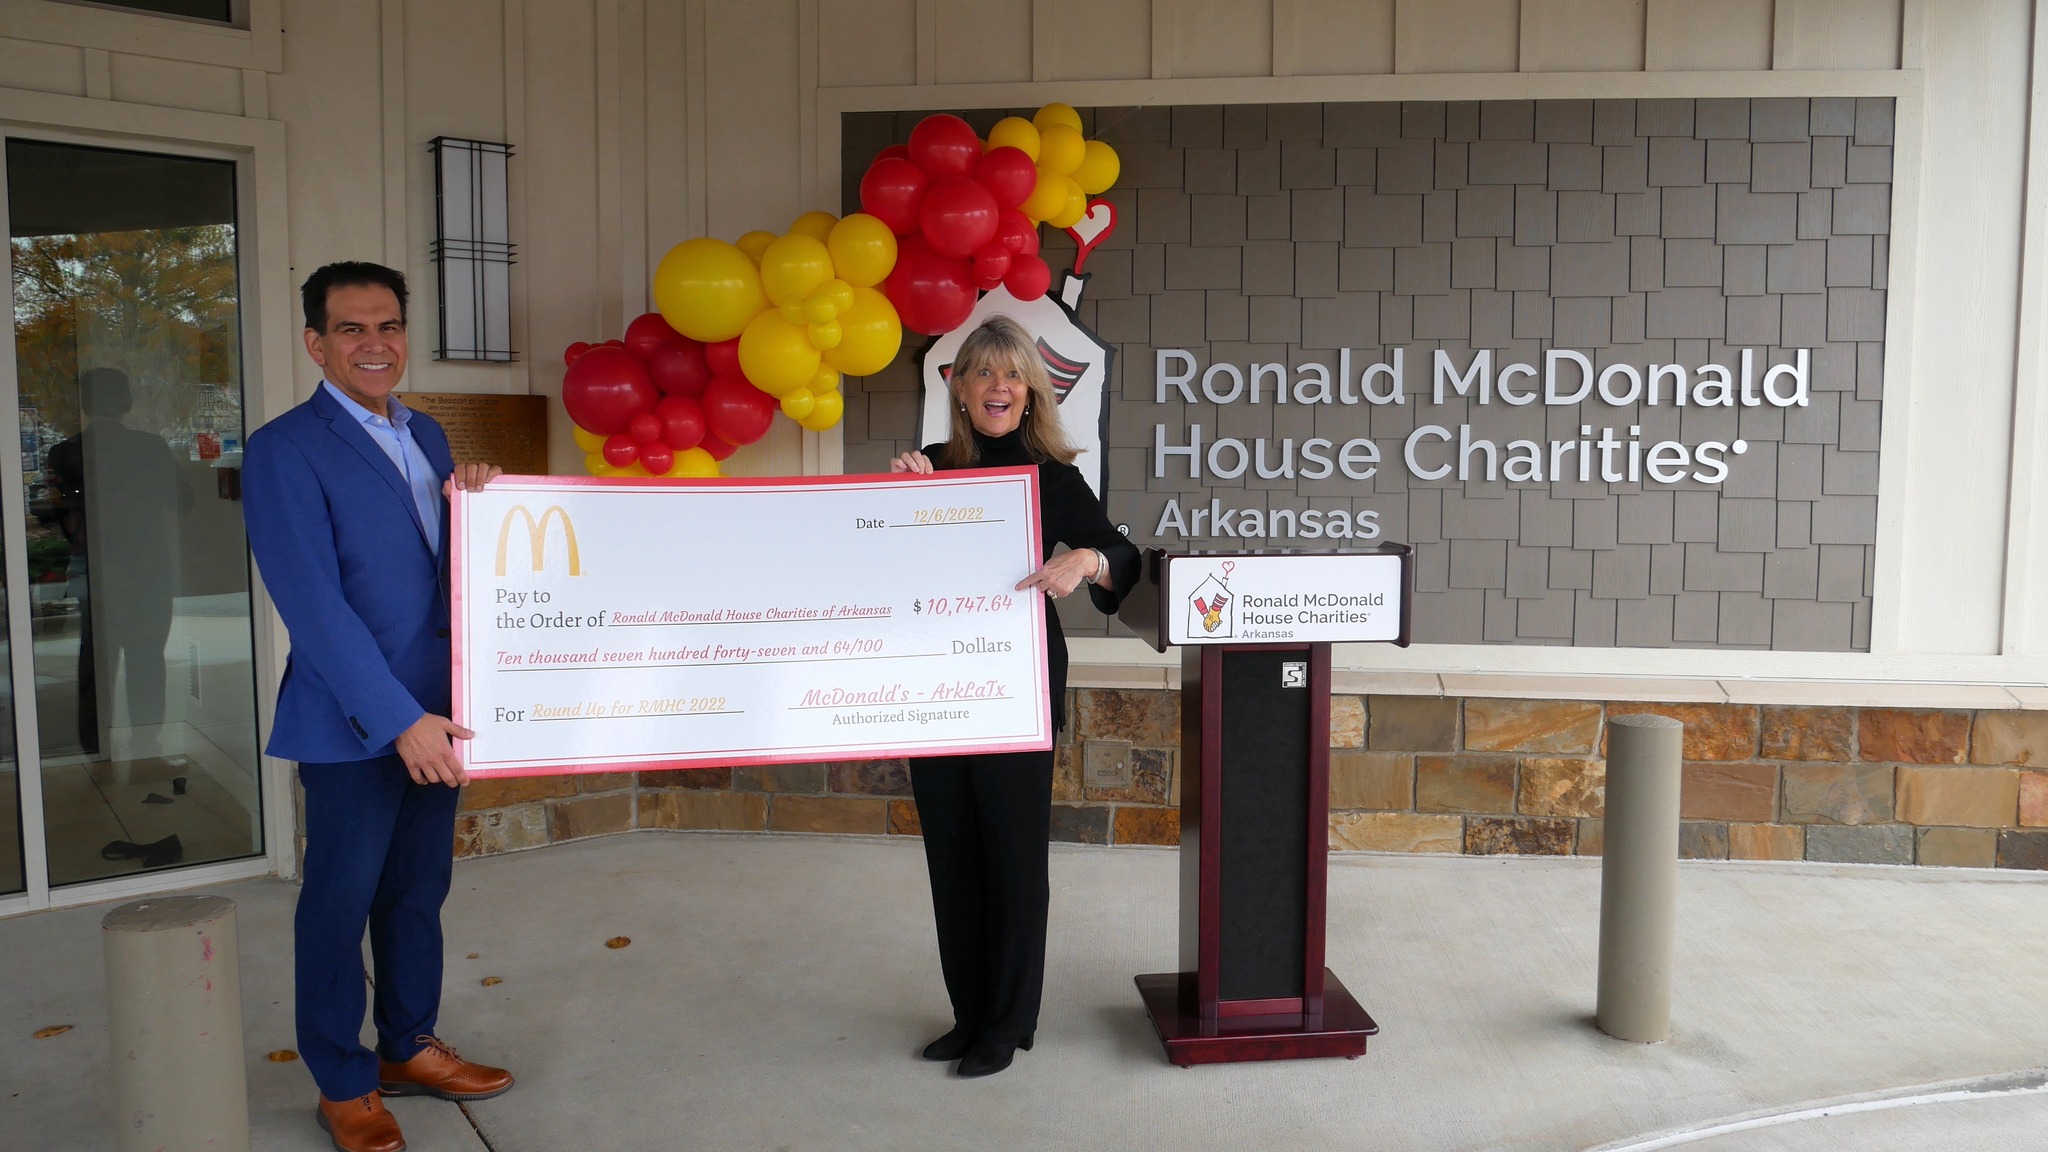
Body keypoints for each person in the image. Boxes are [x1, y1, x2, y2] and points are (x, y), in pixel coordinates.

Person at [243, 262, 511, 1152]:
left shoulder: (427, 434)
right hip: (356, 720)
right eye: (351, 328)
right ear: (316, 343)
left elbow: (439, 571)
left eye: (388, 325)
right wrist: (398, 719)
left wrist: (478, 501)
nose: (374, 343)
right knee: (339, 904)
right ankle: (343, 1080)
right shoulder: (284, 447)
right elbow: (313, 602)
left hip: (442, 712)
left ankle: (407, 1045)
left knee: (416, 893)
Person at [889, 314, 1140, 1078]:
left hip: (1014, 690)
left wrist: (1084, 560)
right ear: (960, 390)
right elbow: (882, 570)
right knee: (953, 861)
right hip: (935, 688)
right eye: (983, 373)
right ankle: (968, 1016)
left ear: (1030, 393)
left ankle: (1007, 1024)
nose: (998, 386)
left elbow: (1123, 556)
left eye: (1013, 374)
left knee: (1014, 861)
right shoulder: (928, 468)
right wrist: (895, 505)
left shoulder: (1050, 474)